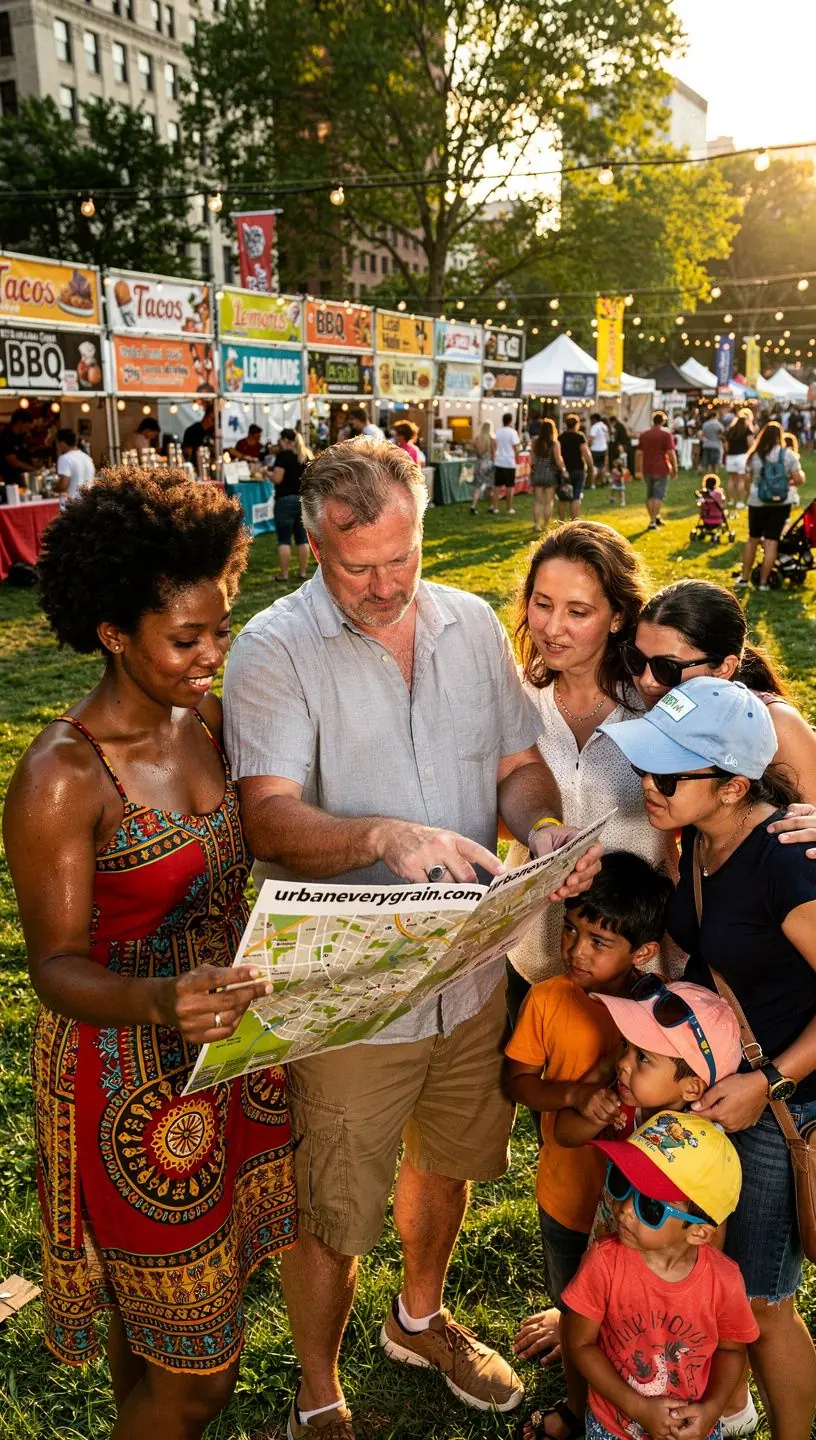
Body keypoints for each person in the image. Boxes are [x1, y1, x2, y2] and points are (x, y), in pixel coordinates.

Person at [221, 437, 602, 1440]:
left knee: (451, 1156)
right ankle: (319, 1394)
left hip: (470, 972)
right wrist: (383, 835)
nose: (388, 586)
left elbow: (517, 764)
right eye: (360, 568)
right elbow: (266, 816)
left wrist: (545, 823)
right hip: (353, 983)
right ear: (310, 545)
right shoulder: (271, 647)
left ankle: (419, 1318)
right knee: (336, 1201)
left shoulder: (472, 622)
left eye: (404, 558)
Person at [2, 469, 295, 1440]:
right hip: (126, 1083)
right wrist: (162, 1002)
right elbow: (53, 967)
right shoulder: (62, 773)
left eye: (221, 627)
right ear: (113, 632)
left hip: (223, 1061)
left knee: (160, 1332)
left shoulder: (204, 719)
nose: (214, 653)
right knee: (202, 1380)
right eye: (187, 639)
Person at [601, 677, 816, 1440]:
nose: (647, 786)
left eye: (667, 773)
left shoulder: (787, 862)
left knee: (761, 1299)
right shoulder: (698, 835)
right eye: (645, 766)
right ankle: (727, 1409)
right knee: (714, 1283)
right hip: (722, 1093)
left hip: (782, 1102)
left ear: (732, 786)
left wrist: (771, 1079)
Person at [505, 852, 673, 1440]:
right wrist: (573, 1095)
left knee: (635, 1320)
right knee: (578, 1317)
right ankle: (579, 1414)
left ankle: (636, 1412)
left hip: (640, 1215)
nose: (576, 951)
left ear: (643, 952)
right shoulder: (548, 998)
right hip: (566, 1202)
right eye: (570, 931)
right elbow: (517, 1083)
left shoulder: (660, 1015)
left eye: (598, 941)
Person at [507, 522, 679, 999]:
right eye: (542, 605)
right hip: (535, 954)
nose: (552, 628)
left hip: (642, 961)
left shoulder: (658, 705)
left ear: (619, 616)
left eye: (577, 612)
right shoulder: (514, 698)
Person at [557, 1112, 758, 1440]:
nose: (623, 1210)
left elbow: (732, 1351)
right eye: (622, 1183)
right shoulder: (604, 1261)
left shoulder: (724, 1281)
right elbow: (580, 1344)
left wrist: (712, 1410)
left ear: (698, 1233)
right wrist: (636, 1407)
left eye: (649, 1207)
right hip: (613, 1426)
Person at [733, 419, 804, 589]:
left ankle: (744, 578)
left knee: (753, 539)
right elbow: (799, 479)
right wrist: (786, 484)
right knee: (771, 542)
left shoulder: (755, 455)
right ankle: (764, 582)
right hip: (781, 503)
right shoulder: (788, 455)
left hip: (757, 502)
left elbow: (748, 482)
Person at [270, 427, 312, 584]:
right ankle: (302, 572)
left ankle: (284, 574)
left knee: (284, 540)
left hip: (285, 501)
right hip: (302, 500)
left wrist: (267, 474)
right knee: (302, 539)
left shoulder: (283, 456)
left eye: (280, 440)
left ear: (285, 441)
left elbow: (278, 478)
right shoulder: (305, 455)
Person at [634, 409, 677, 530]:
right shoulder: (666, 434)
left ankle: (655, 518)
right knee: (658, 495)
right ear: (663, 421)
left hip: (647, 467)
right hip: (662, 467)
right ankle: (653, 521)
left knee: (650, 494)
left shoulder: (645, 434)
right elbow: (671, 453)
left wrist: (637, 469)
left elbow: (638, 453)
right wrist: (675, 468)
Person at [530, 418, 568, 530]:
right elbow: (558, 459)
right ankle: (546, 525)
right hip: (550, 474)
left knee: (538, 501)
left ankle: (536, 524)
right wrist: (564, 471)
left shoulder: (535, 441)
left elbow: (532, 459)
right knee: (549, 502)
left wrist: (532, 470)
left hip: (538, 473)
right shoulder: (555, 443)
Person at [557, 415, 594, 520]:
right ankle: (574, 522)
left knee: (563, 497)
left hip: (564, 470)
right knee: (576, 496)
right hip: (578, 469)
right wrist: (590, 467)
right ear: (577, 425)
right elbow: (586, 453)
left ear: (566, 424)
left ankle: (561, 522)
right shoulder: (580, 437)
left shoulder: (560, 437)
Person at [0, 407, 36, 497]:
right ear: (20, 423)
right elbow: (12, 461)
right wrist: (33, 469)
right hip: (11, 481)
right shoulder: (6, 437)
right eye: (27, 426)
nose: (28, 429)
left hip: (23, 479)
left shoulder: (21, 437)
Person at [724, 409, 754, 509]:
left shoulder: (731, 430)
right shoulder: (747, 430)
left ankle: (730, 500)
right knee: (741, 479)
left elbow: (726, 445)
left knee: (732, 479)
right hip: (742, 456)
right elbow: (750, 444)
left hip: (730, 456)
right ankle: (740, 501)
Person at [55, 428, 95, 502]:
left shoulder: (64, 458)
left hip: (73, 504)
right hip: (88, 502)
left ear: (62, 444)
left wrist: (54, 488)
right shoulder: (87, 458)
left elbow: (63, 485)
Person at [493, 410, 521, 514]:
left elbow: (495, 446)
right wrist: (517, 459)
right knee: (510, 487)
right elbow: (516, 447)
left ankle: (495, 507)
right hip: (509, 462)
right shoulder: (512, 432)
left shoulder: (498, 431)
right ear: (510, 421)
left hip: (499, 461)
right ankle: (509, 508)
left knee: (496, 486)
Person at [471, 419, 496, 514]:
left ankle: (473, 505)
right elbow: (494, 454)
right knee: (489, 486)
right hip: (488, 464)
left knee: (477, 486)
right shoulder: (492, 439)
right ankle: (490, 506)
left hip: (479, 463)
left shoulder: (477, 439)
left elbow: (476, 452)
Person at [699, 409, 725, 475]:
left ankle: (707, 474)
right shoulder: (719, 425)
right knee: (715, 462)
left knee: (707, 462)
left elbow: (702, 435)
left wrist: (704, 440)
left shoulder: (705, 424)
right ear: (715, 415)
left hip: (706, 444)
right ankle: (715, 474)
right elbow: (722, 435)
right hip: (716, 445)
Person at [588, 414, 609, 486]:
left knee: (594, 466)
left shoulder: (594, 427)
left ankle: (592, 483)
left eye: (591, 420)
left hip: (595, 449)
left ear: (594, 419)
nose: (590, 422)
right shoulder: (604, 426)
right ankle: (602, 481)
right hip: (604, 448)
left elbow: (591, 438)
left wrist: (588, 446)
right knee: (602, 466)